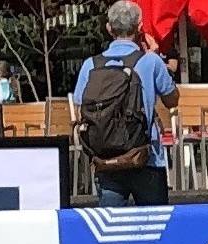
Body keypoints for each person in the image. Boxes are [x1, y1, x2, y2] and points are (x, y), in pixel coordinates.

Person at [71, 0, 179, 207]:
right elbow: (172, 100)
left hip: (106, 160)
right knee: (155, 228)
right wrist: (155, 55)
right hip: (146, 157)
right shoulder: (150, 61)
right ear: (140, 27)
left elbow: (78, 109)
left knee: (112, 230)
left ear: (109, 28)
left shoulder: (90, 65)